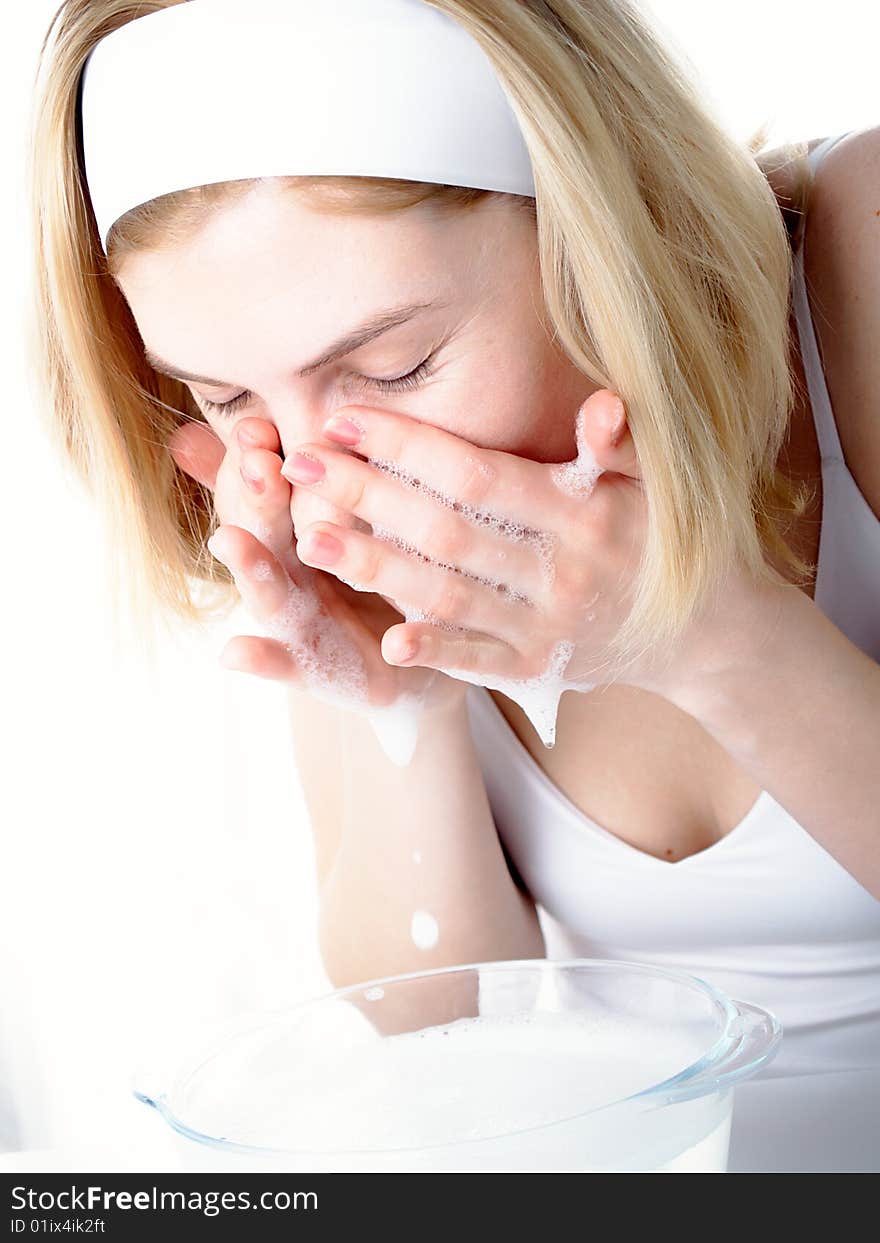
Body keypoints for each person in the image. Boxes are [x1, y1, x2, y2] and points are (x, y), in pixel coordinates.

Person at [29, 0, 879, 1172]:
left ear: (601, 219)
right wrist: (400, 704)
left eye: (396, 364)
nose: (324, 478)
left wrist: (701, 636)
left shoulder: (862, 256)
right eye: (224, 398)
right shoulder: (303, 469)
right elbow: (432, 1036)